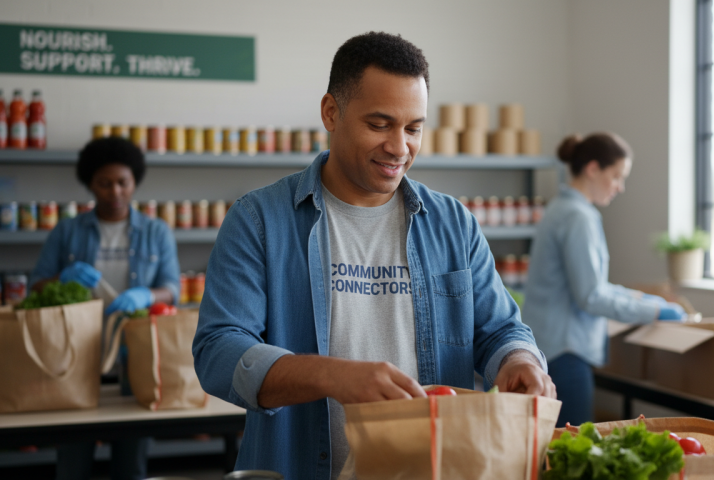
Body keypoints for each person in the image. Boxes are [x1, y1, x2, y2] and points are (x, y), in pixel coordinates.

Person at [192, 31, 555, 480]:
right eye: (379, 124)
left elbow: (500, 329)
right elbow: (219, 350)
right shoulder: (259, 219)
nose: (399, 147)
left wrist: (519, 360)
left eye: (413, 128)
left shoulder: (452, 223)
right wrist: (333, 377)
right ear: (331, 112)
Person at [30, 136, 180, 480]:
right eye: (105, 183)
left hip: (137, 355)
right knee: (72, 462)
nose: (115, 192)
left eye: (123, 182)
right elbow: (35, 286)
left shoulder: (157, 232)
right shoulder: (67, 231)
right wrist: (62, 278)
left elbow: (172, 289)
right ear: (90, 184)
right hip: (75, 355)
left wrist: (147, 295)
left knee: (131, 465)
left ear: (134, 182)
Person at [522, 133, 686, 427]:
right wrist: (656, 312)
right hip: (566, 351)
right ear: (593, 168)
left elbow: (593, 284)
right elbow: (592, 296)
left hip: (550, 345)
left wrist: (641, 299)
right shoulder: (578, 217)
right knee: (574, 447)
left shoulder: (561, 208)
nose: (620, 187)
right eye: (616, 176)